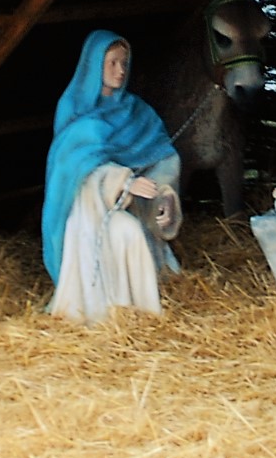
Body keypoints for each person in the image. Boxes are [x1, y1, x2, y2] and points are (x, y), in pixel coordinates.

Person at [43, 31, 182, 324]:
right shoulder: (74, 110)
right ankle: (103, 313)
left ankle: (139, 314)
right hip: (86, 214)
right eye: (112, 63)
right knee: (123, 233)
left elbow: (165, 158)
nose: (120, 71)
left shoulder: (137, 111)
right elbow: (72, 167)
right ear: (94, 65)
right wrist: (123, 181)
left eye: (124, 63)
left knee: (132, 233)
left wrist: (162, 195)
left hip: (127, 207)